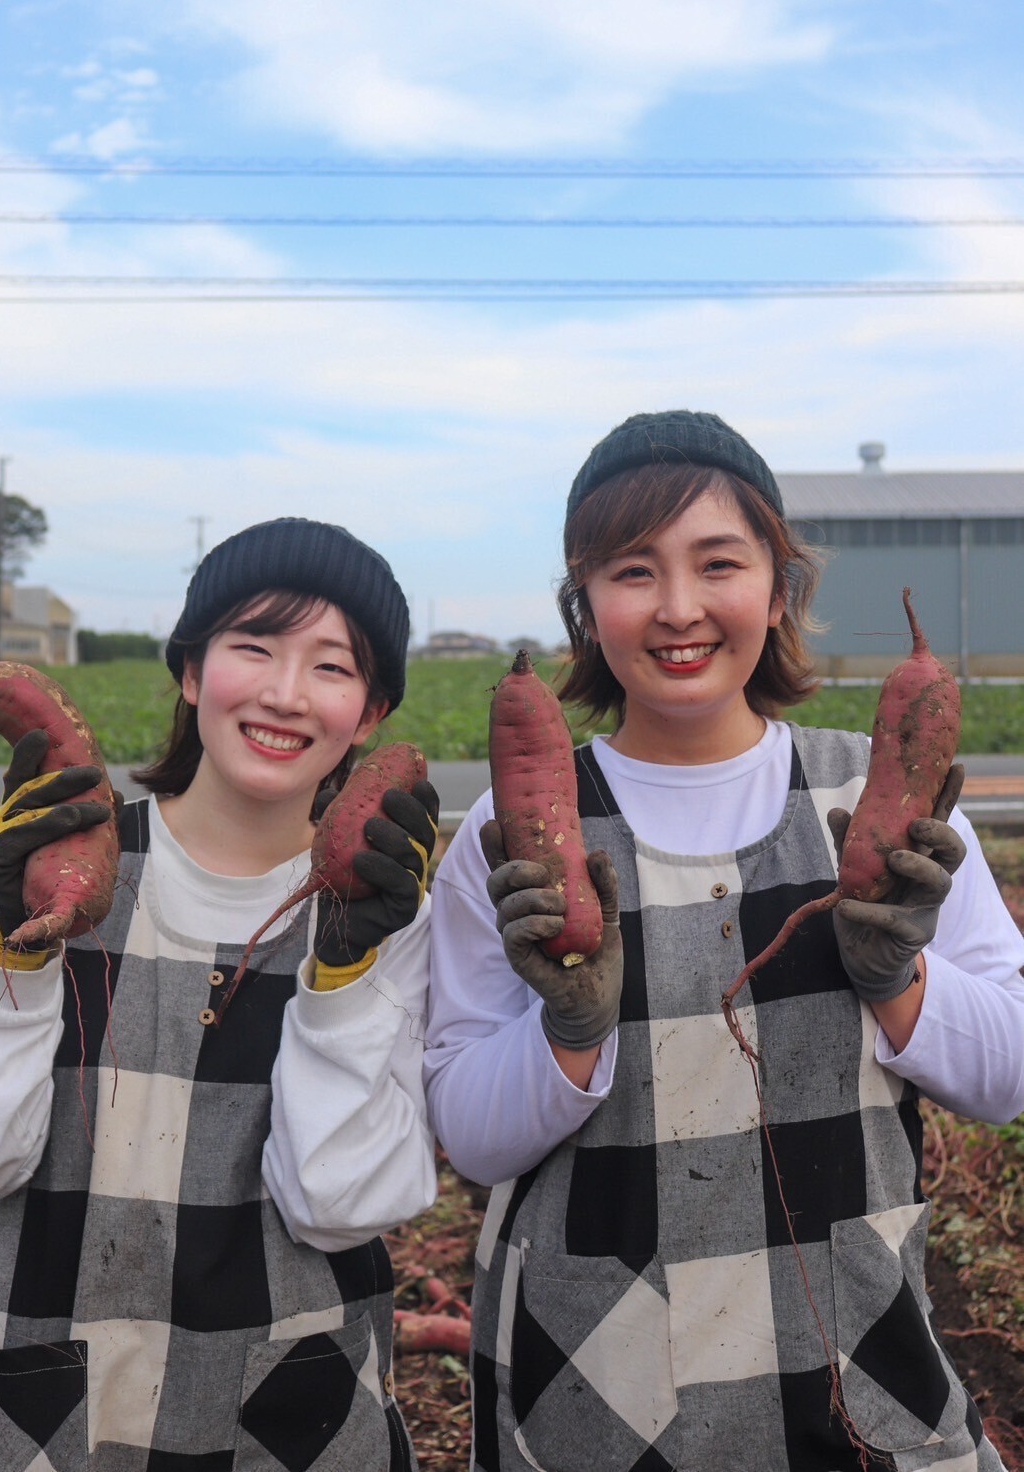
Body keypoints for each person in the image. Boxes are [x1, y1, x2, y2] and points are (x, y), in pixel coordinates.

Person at [424, 412, 1024, 1472]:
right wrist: (568, 1030)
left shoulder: (879, 797)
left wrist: (897, 978)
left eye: (718, 564)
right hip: (591, 1385)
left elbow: (1007, 1071)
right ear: (583, 603)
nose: (677, 608)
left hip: (852, 1367)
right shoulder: (514, 828)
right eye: (632, 571)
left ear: (778, 586)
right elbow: (470, 1133)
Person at [0, 517, 439, 1471]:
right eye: (253, 646)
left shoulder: (390, 910)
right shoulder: (44, 869)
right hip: (34, 1413)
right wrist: (10, 962)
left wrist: (344, 980)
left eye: (331, 665)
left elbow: (338, 1202)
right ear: (191, 670)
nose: (283, 692)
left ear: (373, 711)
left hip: (291, 1421)